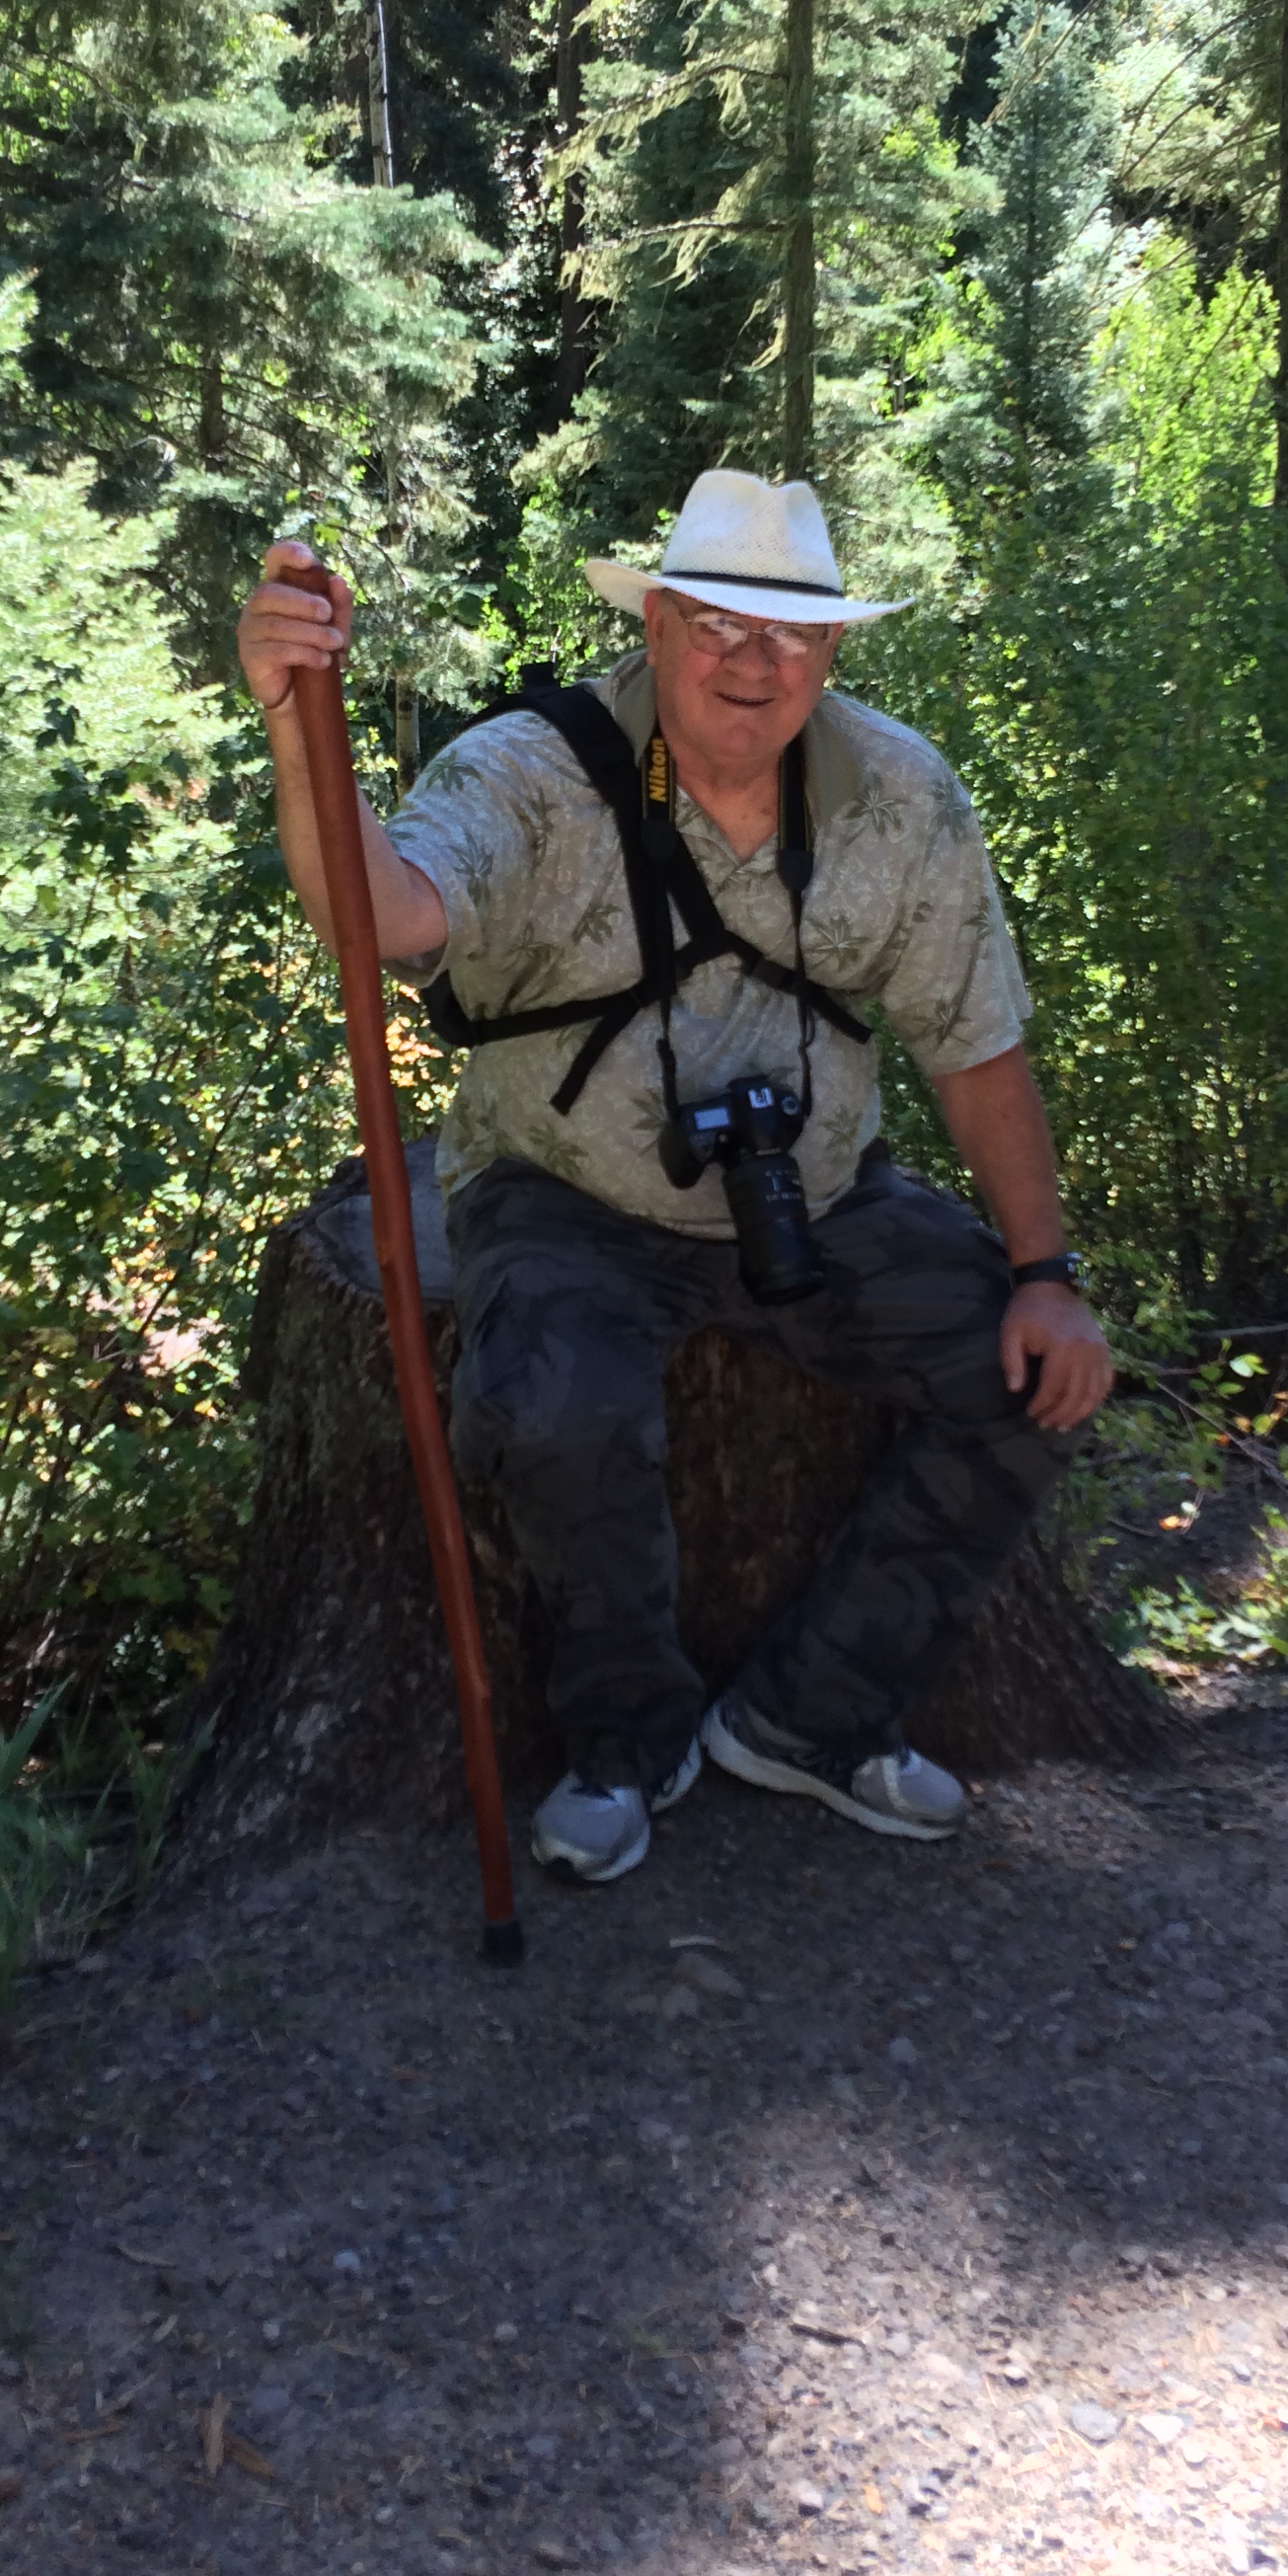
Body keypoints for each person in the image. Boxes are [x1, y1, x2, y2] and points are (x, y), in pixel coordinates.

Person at [237, 470, 1113, 1885]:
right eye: (716, 625)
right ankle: (627, 1742)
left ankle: (811, 1714)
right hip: (563, 1189)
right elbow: (379, 916)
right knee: (551, 1411)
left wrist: (1046, 1274)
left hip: (816, 1197)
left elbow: (976, 1046)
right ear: (653, 625)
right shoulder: (535, 772)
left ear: (831, 650)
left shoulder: (899, 797)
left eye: (792, 634)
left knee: (1026, 1377)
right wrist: (298, 726)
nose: (754, 663)